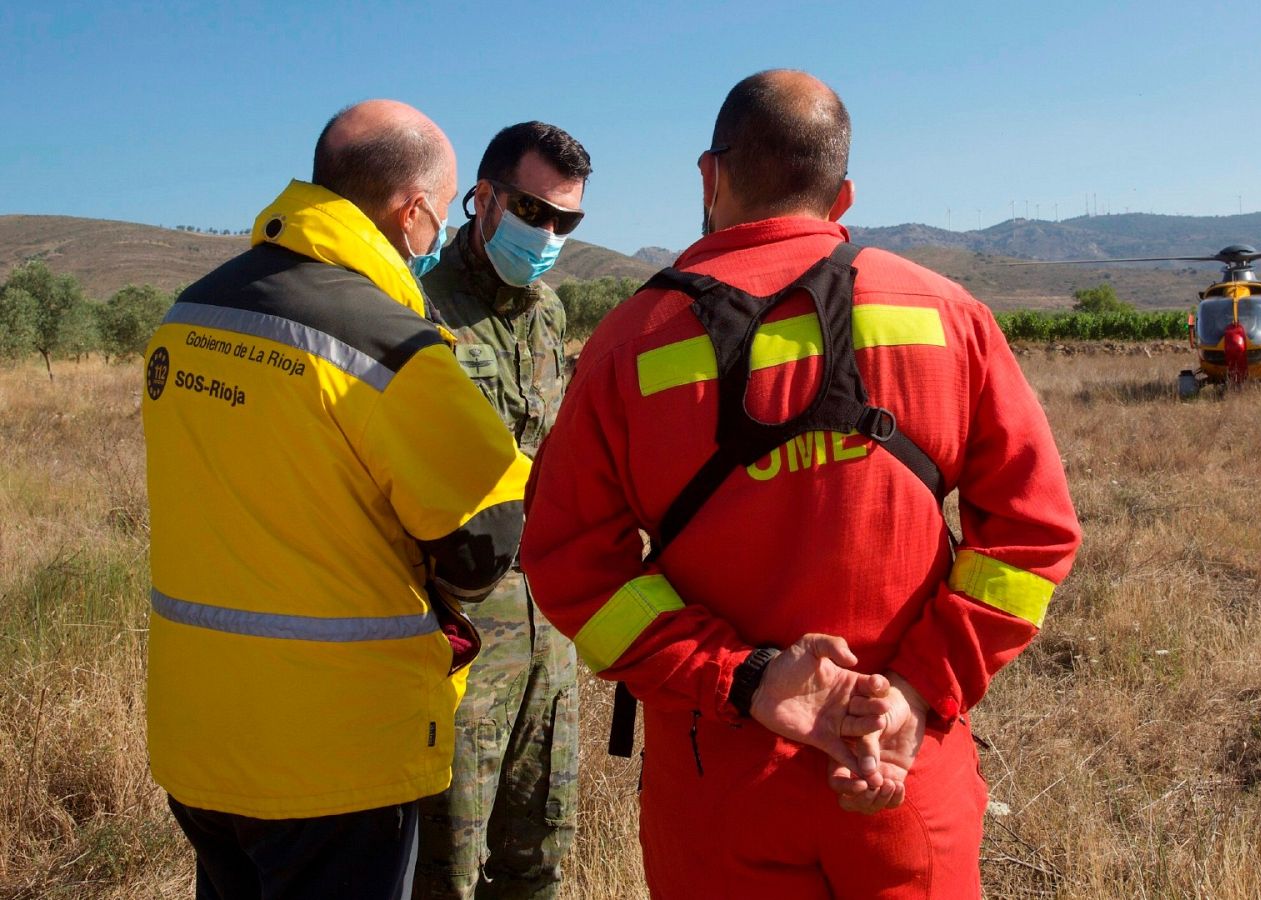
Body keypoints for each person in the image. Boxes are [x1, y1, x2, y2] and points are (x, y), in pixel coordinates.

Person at [520, 70, 1081, 898]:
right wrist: (918, 689)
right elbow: (1034, 535)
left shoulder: (625, 345)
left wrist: (742, 677)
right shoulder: (947, 313)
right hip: (899, 764)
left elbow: (569, 568)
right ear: (843, 194)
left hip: (717, 787)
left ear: (709, 178)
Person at [141, 99, 532, 900]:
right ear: (414, 211)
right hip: (336, 760)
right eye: (442, 212)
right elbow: (486, 538)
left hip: (199, 739)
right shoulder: (389, 343)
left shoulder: (190, 313)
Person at [414, 121, 590, 900]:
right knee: (444, 867)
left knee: (540, 852)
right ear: (481, 198)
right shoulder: (415, 303)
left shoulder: (549, 313)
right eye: (531, 210)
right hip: (456, 632)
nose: (546, 232)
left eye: (565, 220)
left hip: (550, 626)